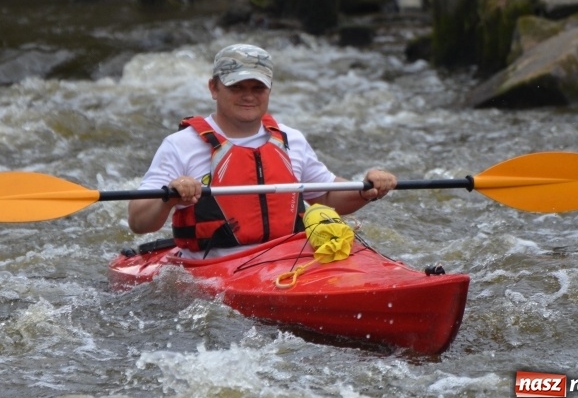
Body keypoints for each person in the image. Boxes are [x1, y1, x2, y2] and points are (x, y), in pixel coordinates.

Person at [127, 43, 397, 258]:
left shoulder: (291, 139)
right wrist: (170, 197)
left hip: (287, 260)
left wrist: (365, 189)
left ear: (269, 89)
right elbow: (139, 222)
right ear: (214, 88)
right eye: (236, 87)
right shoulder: (181, 145)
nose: (248, 96)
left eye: (258, 87)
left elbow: (327, 195)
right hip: (215, 267)